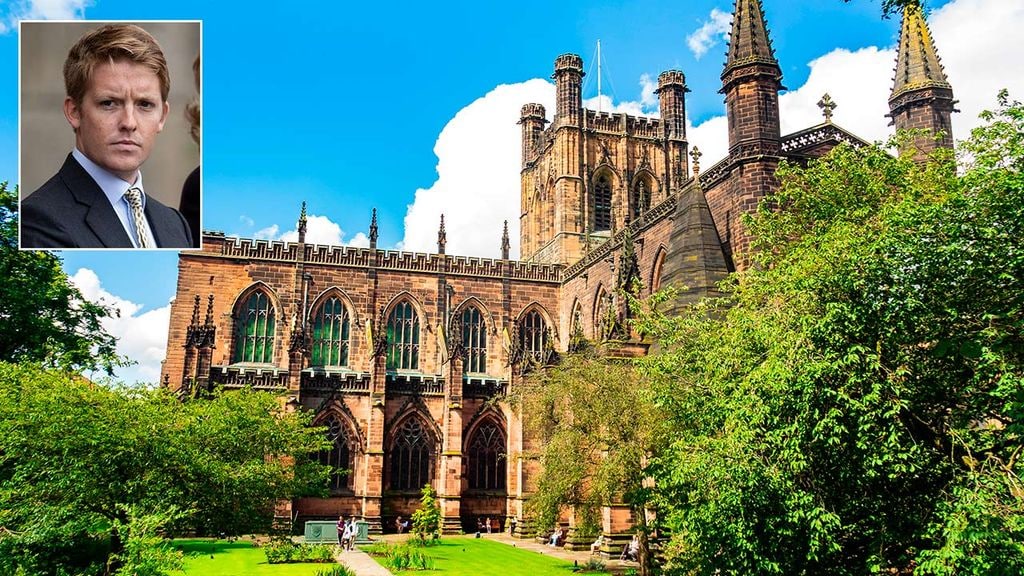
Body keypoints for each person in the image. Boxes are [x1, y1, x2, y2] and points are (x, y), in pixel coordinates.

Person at [21, 23, 192, 249]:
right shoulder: (37, 220)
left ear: (162, 116)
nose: (129, 123)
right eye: (109, 103)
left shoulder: (175, 224)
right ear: (74, 112)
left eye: (145, 104)